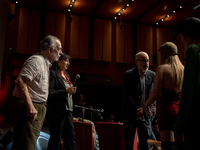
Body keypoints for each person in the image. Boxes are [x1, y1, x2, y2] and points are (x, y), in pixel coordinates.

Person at [9, 35, 62, 150]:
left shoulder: (44, 63)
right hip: (28, 107)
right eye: (59, 49)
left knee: (24, 144)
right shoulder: (37, 60)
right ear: (50, 49)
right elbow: (20, 81)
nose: (60, 53)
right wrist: (30, 107)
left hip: (35, 107)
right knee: (26, 146)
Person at [145, 42, 184, 150]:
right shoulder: (184, 70)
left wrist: (146, 104)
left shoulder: (161, 69)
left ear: (164, 54)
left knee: (168, 146)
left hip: (166, 110)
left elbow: (156, 92)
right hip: (181, 110)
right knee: (181, 145)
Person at [173, 17, 200, 149]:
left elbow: (188, 90)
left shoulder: (193, 50)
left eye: (182, 37)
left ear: (188, 35)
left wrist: (179, 125)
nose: (181, 41)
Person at [123, 51, 155, 150]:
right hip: (131, 114)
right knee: (129, 143)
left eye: (148, 61)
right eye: (143, 61)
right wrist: (137, 109)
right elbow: (126, 95)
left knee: (145, 144)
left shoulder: (152, 75)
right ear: (136, 62)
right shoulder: (129, 74)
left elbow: (153, 96)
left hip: (145, 116)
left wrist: (144, 110)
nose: (146, 64)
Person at [47, 53, 77, 150]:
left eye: (69, 61)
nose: (68, 63)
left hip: (68, 111)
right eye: (66, 60)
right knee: (56, 138)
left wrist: (71, 91)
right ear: (58, 61)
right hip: (57, 112)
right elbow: (51, 93)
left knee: (71, 138)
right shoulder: (53, 73)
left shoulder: (67, 75)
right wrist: (66, 91)